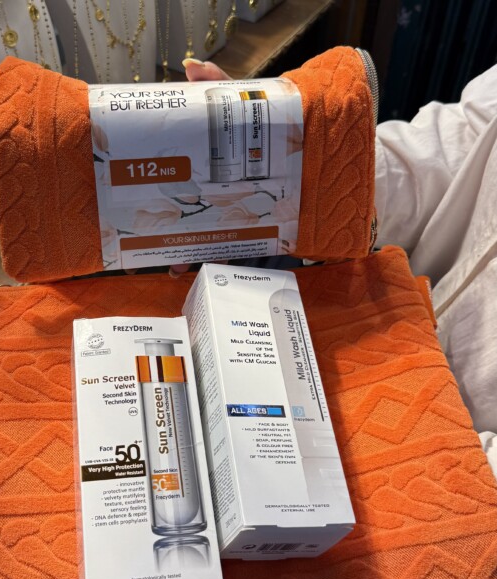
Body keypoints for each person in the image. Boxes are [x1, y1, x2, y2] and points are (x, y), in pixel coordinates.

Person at [181, 57, 497, 476]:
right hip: (387, 325)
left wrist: (419, 444)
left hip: (449, 465)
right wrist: (301, 171)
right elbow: (465, 139)